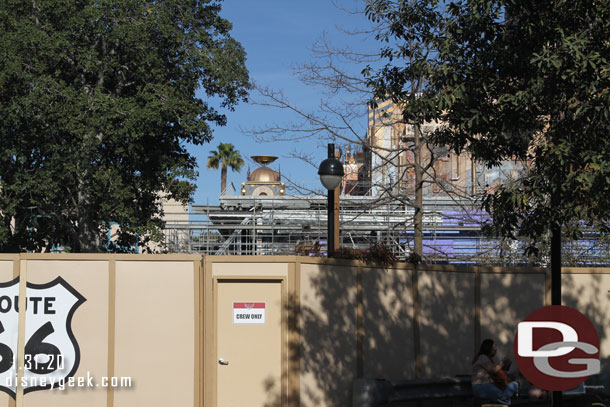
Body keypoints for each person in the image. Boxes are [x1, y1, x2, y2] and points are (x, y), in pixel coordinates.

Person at [472, 339, 519, 405]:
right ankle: (503, 399)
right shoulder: (483, 357)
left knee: (512, 384)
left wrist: (505, 366)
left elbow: (498, 373)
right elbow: (494, 370)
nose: (495, 349)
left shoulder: (488, 359)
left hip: (488, 386)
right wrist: (502, 362)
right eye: (494, 347)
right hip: (483, 387)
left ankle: (502, 400)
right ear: (488, 348)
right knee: (514, 385)